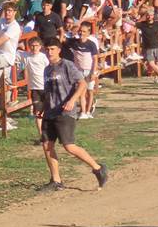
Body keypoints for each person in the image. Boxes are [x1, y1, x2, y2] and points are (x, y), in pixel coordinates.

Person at [38, 39, 108, 192]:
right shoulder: (47, 70)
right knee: (47, 145)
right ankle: (56, 180)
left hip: (65, 112)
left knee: (69, 146)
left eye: (52, 49)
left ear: (59, 50)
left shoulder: (67, 65)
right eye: (47, 49)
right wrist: (43, 107)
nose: (50, 52)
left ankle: (98, 168)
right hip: (50, 112)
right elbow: (48, 91)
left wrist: (73, 100)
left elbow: (82, 83)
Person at [65, 21, 99, 119]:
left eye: (84, 32)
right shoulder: (74, 42)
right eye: (80, 31)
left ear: (88, 33)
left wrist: (94, 72)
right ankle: (83, 112)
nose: (81, 33)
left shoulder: (91, 44)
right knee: (82, 91)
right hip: (79, 70)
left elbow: (95, 59)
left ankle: (88, 111)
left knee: (90, 90)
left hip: (89, 70)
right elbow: (64, 39)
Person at [22, 36, 49, 142]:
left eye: (36, 46)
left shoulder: (43, 57)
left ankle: (51, 133)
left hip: (45, 87)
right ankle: (42, 136)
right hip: (34, 89)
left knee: (48, 112)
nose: (34, 48)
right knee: (38, 113)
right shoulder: (27, 57)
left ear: (40, 46)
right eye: (32, 46)